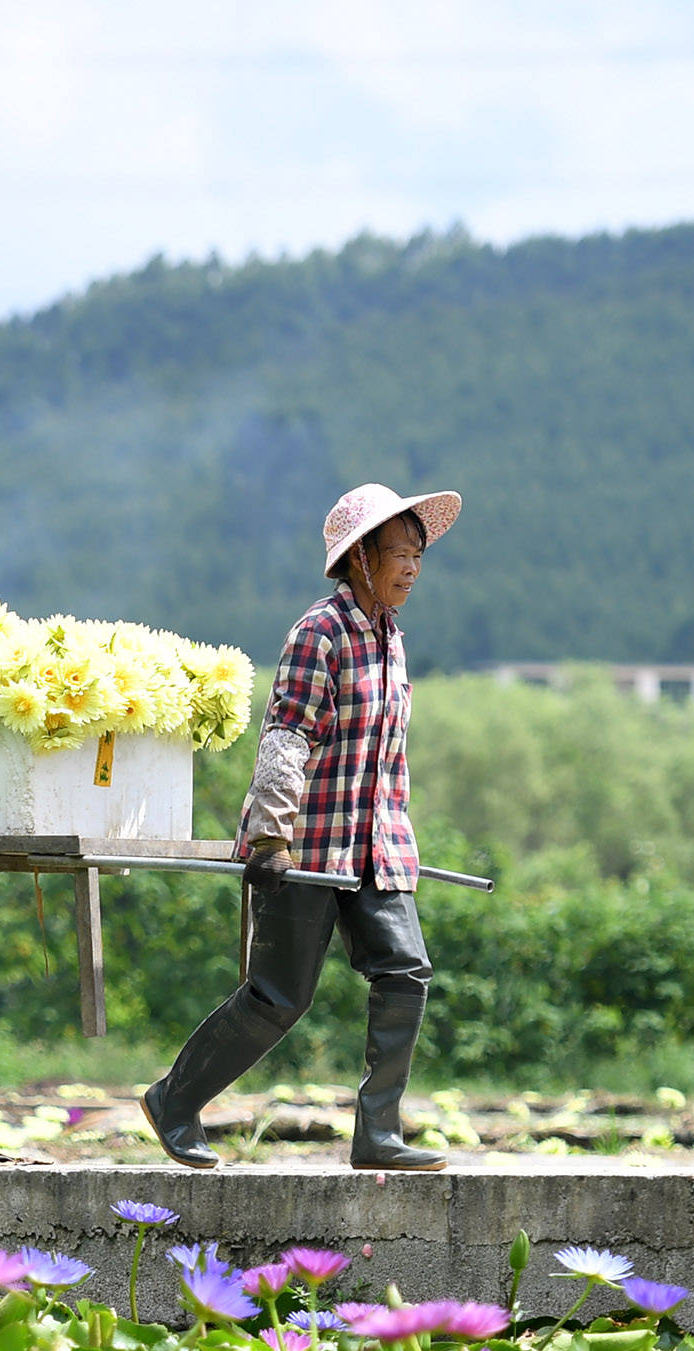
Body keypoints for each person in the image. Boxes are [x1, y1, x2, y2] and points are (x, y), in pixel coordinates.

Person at [140, 480, 459, 1172]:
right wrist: (269, 837)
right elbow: (289, 735)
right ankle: (173, 1101)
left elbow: (383, 756)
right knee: (279, 997)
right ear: (358, 559)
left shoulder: (391, 640)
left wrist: (394, 833)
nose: (409, 568)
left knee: (405, 973)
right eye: (396, 553)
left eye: (416, 555)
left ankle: (377, 1134)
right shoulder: (321, 631)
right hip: (307, 845)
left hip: (377, 844)